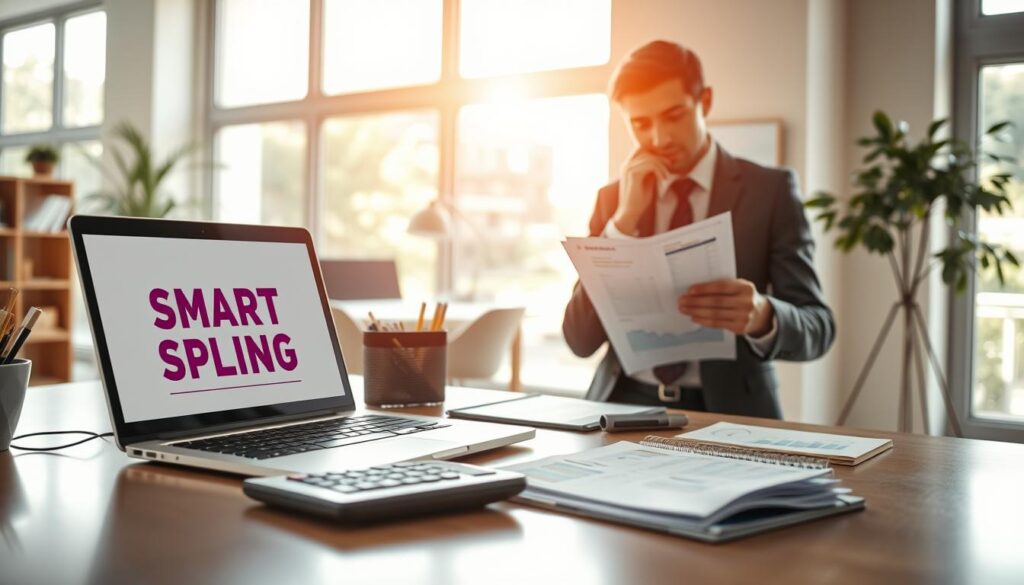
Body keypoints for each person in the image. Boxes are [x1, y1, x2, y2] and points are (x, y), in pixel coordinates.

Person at [562, 40, 835, 418]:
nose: (659, 139)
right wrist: (622, 225)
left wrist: (761, 315)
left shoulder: (770, 192)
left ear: (705, 102)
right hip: (621, 406)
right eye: (640, 124)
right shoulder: (613, 200)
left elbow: (819, 327)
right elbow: (579, 339)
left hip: (731, 411)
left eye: (674, 115)